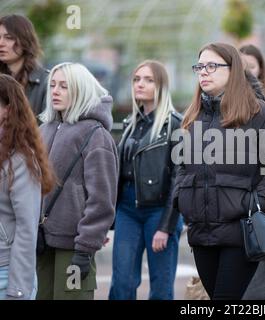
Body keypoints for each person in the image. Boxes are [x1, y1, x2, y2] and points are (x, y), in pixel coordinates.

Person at [172, 42, 265, 300]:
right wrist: (182, 199)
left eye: (212, 66)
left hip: (240, 231)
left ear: (233, 70)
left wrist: (256, 203)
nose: (203, 72)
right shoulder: (193, 116)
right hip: (202, 233)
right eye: (199, 66)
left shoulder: (256, 112)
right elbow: (182, 166)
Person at [37, 62, 118, 300]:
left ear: (80, 89)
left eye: (64, 86)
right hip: (41, 244)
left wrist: (85, 247)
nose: (55, 91)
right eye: (52, 85)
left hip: (74, 247)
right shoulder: (44, 130)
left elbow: (102, 200)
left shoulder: (96, 135)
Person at [108, 60, 183, 300]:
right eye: (137, 79)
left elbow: (178, 179)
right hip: (128, 210)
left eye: (149, 80)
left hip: (159, 210)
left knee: (161, 287)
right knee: (122, 283)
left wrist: (166, 226)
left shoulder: (176, 125)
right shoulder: (131, 123)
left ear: (161, 85)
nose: (140, 84)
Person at [0, 74, 55, 300]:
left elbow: (26, 227)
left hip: (7, 274)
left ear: (8, 110)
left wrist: (19, 289)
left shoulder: (21, 160)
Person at [0, 14, 48, 116]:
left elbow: (49, 128)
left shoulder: (47, 82)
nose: (1, 43)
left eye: (9, 38)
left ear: (24, 41)